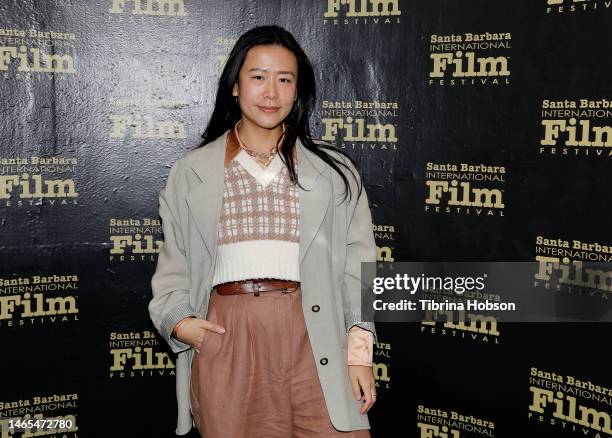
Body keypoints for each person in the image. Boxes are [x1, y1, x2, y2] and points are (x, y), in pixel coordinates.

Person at [149, 25, 378, 437]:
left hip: (317, 333)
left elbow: (361, 268)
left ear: (297, 90)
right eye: (258, 77)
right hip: (230, 336)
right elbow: (174, 269)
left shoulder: (336, 173)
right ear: (235, 85)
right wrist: (183, 325)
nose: (271, 93)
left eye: (284, 79)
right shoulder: (192, 172)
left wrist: (359, 354)